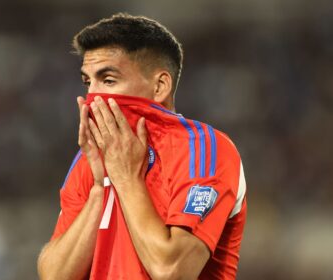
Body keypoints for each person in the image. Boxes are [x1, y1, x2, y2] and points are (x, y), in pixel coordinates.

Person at [37, 13, 247, 280]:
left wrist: (125, 179)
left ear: (159, 87)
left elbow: (172, 271)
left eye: (109, 80)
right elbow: (54, 275)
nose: (92, 97)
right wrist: (101, 189)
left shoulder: (206, 151)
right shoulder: (89, 159)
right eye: (88, 82)